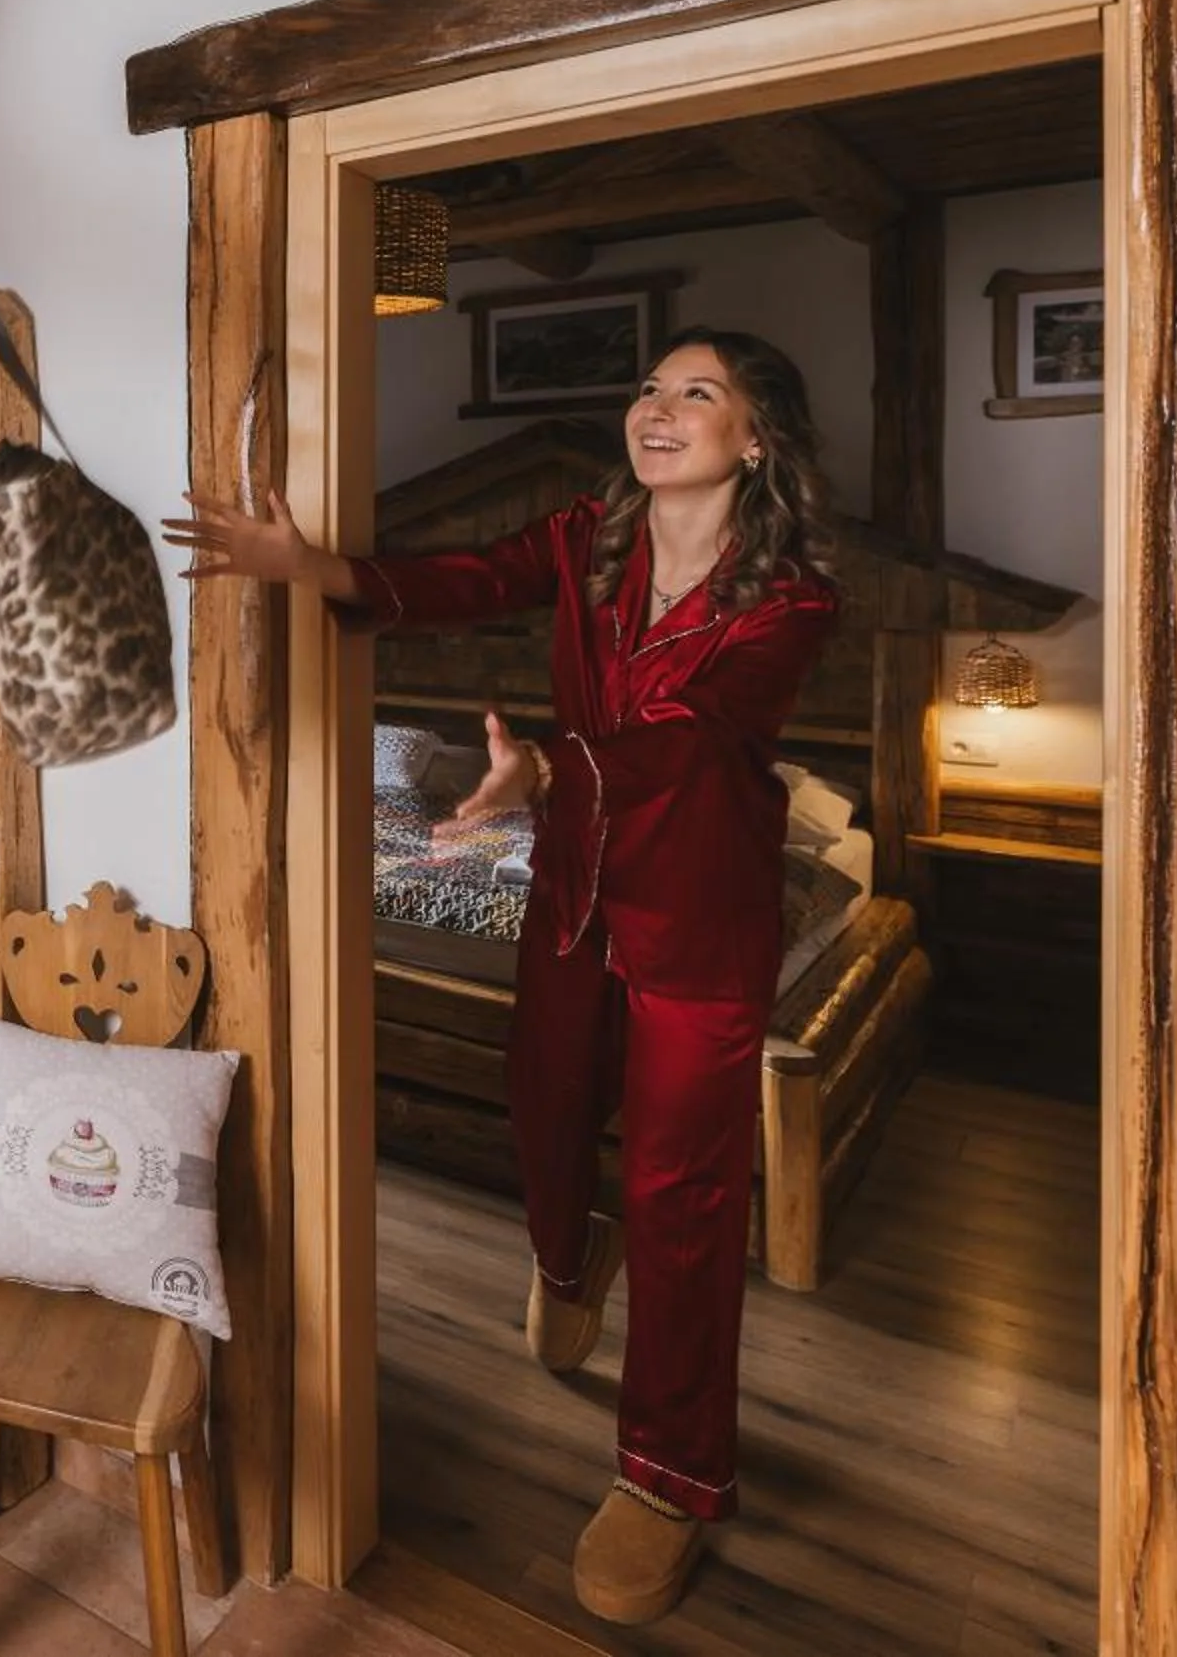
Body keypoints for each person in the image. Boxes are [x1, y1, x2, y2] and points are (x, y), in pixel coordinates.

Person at [166, 328, 839, 1625]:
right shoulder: (593, 532)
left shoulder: (791, 601)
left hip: (703, 909)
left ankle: (669, 1476)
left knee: (679, 1189)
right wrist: (311, 565)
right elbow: (463, 574)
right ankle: (565, 1257)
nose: (658, 406)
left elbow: (699, 738)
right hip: (574, 888)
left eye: (698, 393)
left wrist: (547, 771)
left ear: (753, 440)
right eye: (649, 383)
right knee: (543, 1108)